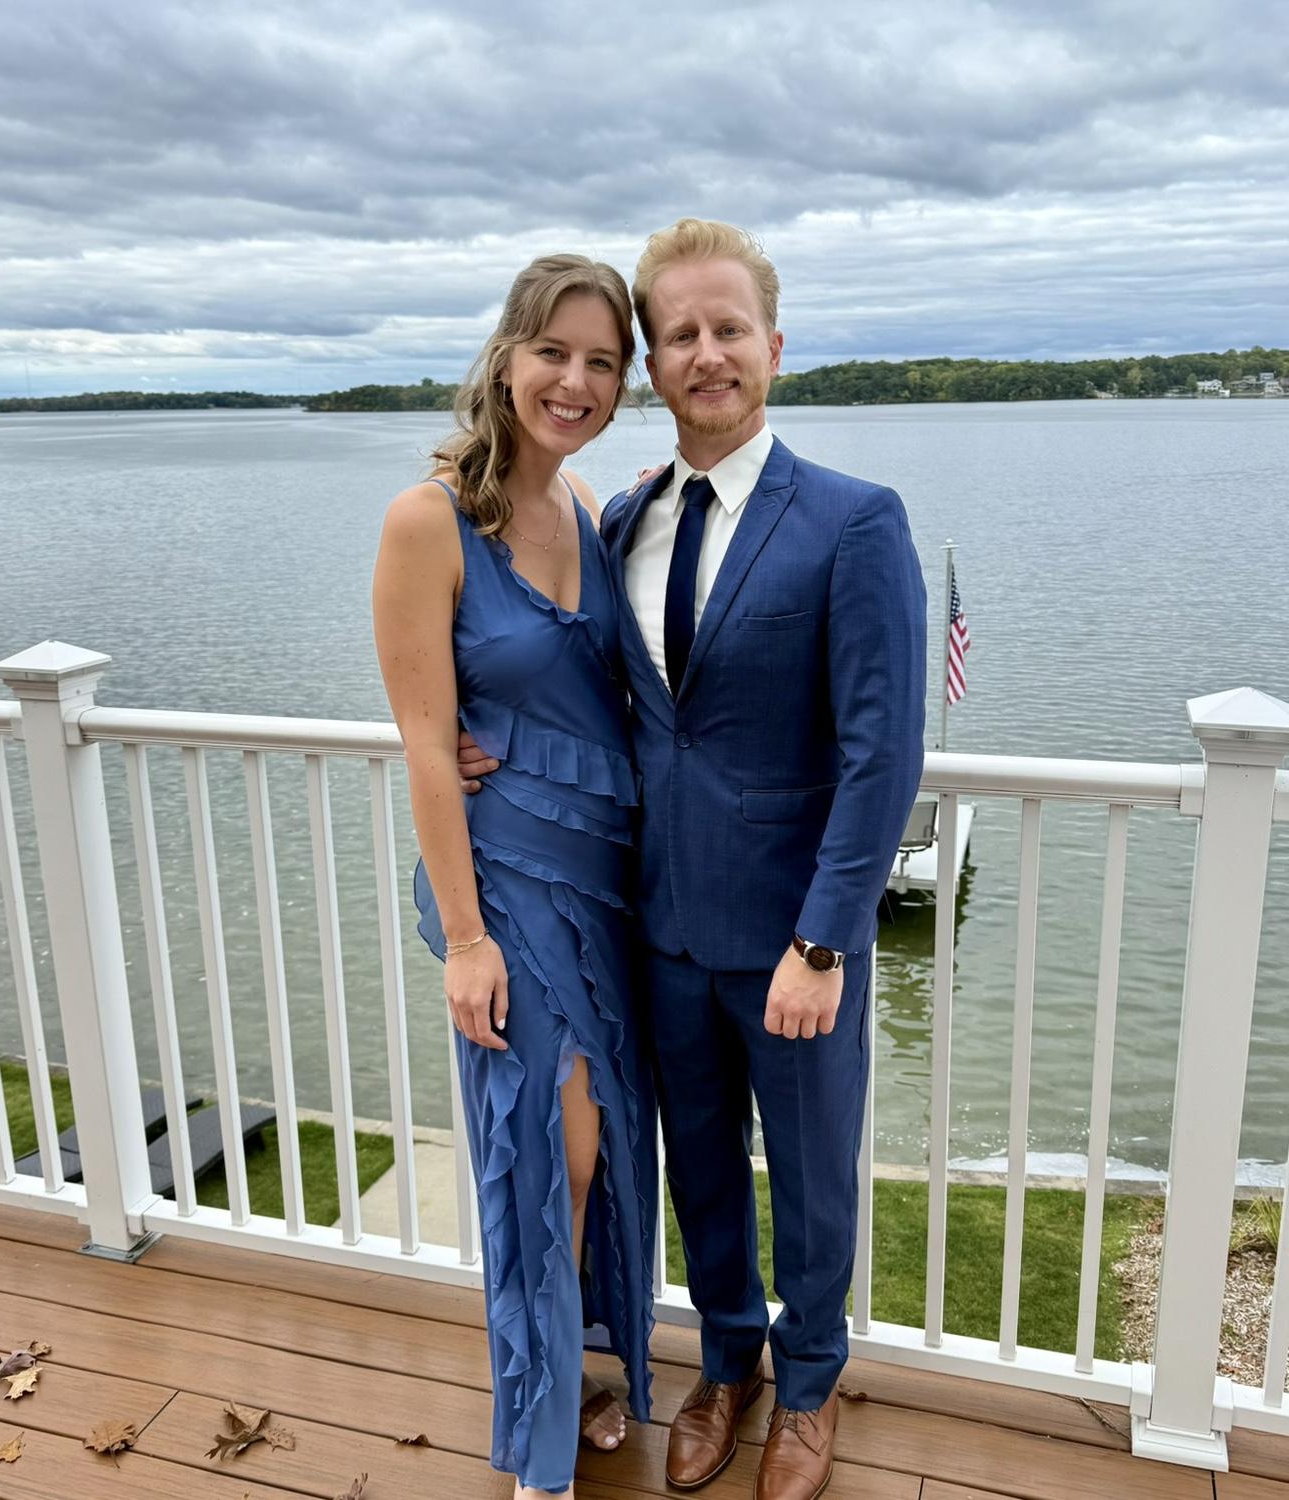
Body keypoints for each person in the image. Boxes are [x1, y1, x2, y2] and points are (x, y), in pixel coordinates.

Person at [464, 219, 926, 1500]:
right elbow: (573, 679)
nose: (707, 353)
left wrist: (825, 938)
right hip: (656, 929)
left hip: (792, 943)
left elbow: (883, 753)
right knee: (702, 1172)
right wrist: (467, 732)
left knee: (814, 1182)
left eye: (730, 329)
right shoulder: (623, 520)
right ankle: (728, 1367)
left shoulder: (852, 521)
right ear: (653, 368)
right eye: (680, 335)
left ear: (774, 346)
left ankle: (810, 1387)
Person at [373, 254, 657, 1500]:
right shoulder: (426, 521)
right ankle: (537, 1435)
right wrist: (466, 938)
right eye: (554, 352)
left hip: (607, 879)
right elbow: (426, 744)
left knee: (601, 1144)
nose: (575, 381)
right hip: (508, 889)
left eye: (602, 361)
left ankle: (578, 1368)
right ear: (506, 357)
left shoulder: (587, 504)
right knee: (550, 1144)